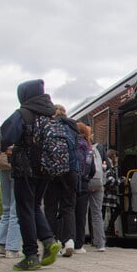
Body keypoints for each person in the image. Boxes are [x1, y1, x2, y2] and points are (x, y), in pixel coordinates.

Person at [0, 79, 61, 271]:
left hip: (26, 169)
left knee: (24, 209)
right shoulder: (50, 115)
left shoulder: (23, 114)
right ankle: (48, 240)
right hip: (46, 169)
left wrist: (5, 148)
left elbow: (5, 136)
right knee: (34, 206)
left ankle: (30, 255)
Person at [43, 104, 79, 257]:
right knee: (68, 207)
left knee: (51, 207)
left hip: (52, 171)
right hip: (71, 171)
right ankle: (69, 241)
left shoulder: (49, 125)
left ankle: (53, 241)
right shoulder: (73, 127)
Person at [0, 151, 22, 258]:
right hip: (17, 163)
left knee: (7, 207)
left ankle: (1, 242)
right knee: (16, 208)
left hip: (3, 161)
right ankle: (12, 247)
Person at [73, 122, 94, 254]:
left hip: (70, 182)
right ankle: (79, 245)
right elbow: (92, 169)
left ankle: (66, 239)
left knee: (67, 211)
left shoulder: (71, 144)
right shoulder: (89, 149)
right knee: (81, 216)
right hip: (84, 184)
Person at [87, 138, 106, 252]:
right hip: (98, 182)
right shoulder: (99, 147)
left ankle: (75, 242)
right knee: (97, 213)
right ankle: (100, 244)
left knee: (78, 212)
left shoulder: (80, 144)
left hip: (85, 182)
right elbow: (107, 165)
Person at [101, 149, 122, 245]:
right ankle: (107, 230)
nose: (117, 159)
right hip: (107, 195)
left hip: (107, 195)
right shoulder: (109, 166)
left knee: (103, 213)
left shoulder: (110, 165)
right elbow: (110, 180)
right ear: (113, 156)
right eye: (116, 156)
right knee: (117, 209)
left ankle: (107, 230)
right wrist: (120, 181)